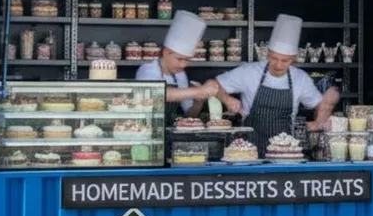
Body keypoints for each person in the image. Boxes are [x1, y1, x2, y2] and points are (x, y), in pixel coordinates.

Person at [215, 14, 340, 154]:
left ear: (293, 58)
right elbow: (214, 84)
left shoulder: (301, 79)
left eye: (284, 60)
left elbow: (321, 104)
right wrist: (227, 99)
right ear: (268, 53)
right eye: (274, 58)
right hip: (249, 151)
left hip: (285, 152)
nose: (278, 65)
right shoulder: (249, 72)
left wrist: (318, 121)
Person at [135, 9, 219, 125]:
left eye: (187, 60)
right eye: (179, 59)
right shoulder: (148, 69)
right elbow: (156, 94)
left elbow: (189, 115)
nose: (183, 65)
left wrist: (199, 100)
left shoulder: (180, 75)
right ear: (165, 52)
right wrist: (197, 91)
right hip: (146, 129)